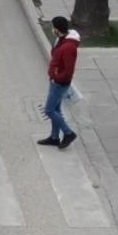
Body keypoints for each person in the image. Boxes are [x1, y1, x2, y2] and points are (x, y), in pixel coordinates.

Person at [38, 16, 80, 149]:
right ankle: (54, 137)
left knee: (49, 110)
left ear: (57, 29)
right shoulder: (62, 40)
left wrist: (56, 78)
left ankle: (68, 133)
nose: (52, 29)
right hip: (56, 81)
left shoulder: (68, 47)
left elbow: (68, 70)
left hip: (59, 83)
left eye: (53, 27)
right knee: (56, 109)